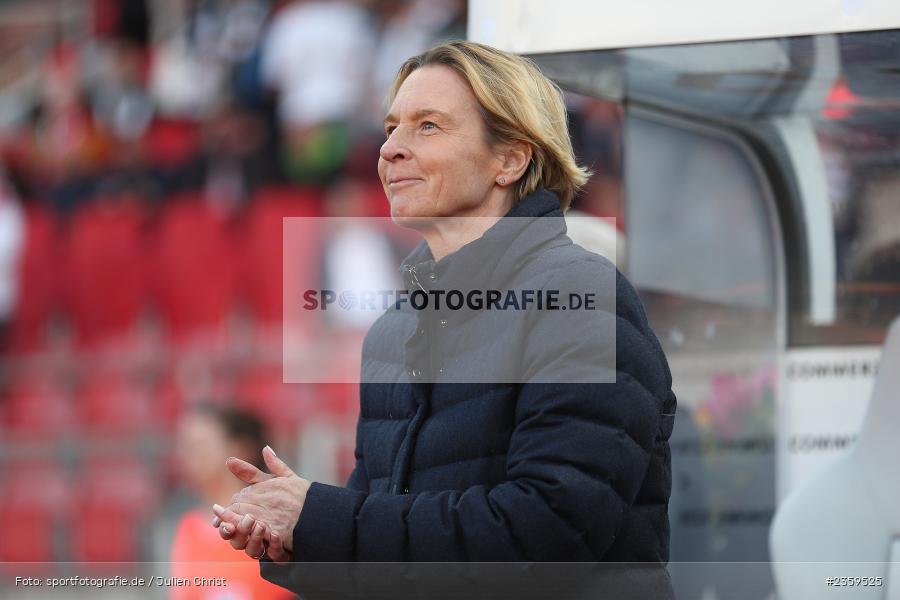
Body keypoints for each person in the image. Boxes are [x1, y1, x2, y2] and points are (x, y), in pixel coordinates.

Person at [211, 41, 677, 598]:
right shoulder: (393, 328)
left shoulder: (578, 296)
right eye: (390, 128)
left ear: (511, 159)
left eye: (427, 126)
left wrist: (324, 517)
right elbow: (392, 545)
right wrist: (301, 539)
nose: (390, 150)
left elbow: (547, 533)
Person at [170, 405, 293, 600]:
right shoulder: (189, 527)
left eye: (200, 445)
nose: (188, 457)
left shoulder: (272, 520)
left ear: (239, 448)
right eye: (185, 446)